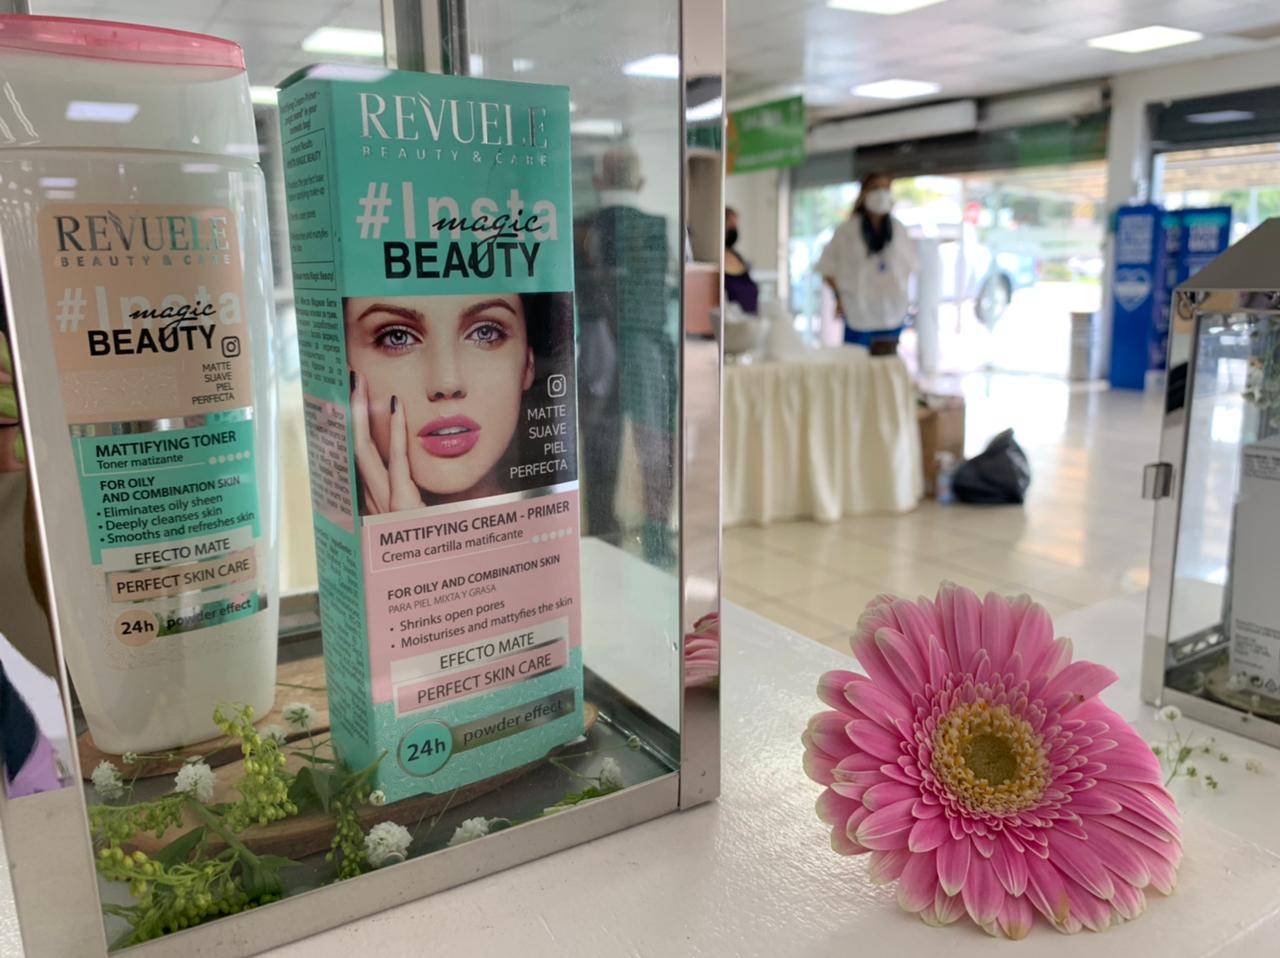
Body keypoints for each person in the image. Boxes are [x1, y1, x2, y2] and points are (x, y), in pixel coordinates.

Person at [346, 291, 566, 512]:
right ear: (343, 370)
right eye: (397, 337)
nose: (447, 384)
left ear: (528, 364)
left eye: (485, 333)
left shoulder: (558, 513)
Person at [818, 172, 917, 349]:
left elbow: (910, 267)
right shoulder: (846, 231)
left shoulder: (898, 230)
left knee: (886, 363)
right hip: (858, 312)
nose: (881, 193)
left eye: (885, 188)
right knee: (857, 362)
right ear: (864, 193)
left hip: (891, 313)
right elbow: (827, 269)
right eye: (876, 188)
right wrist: (839, 297)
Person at [723, 207, 759, 315]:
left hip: (749, 317)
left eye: (736, 225)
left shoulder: (736, 255)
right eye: (731, 224)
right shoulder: (717, 255)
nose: (734, 229)